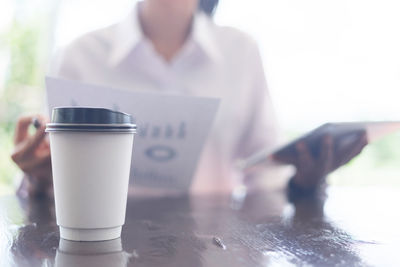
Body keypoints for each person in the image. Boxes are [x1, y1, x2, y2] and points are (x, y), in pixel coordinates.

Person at [11, 0, 367, 198]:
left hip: (215, 246)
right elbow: (52, 176)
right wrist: (39, 178)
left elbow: (266, 174)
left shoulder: (241, 51)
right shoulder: (80, 55)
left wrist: (304, 183)